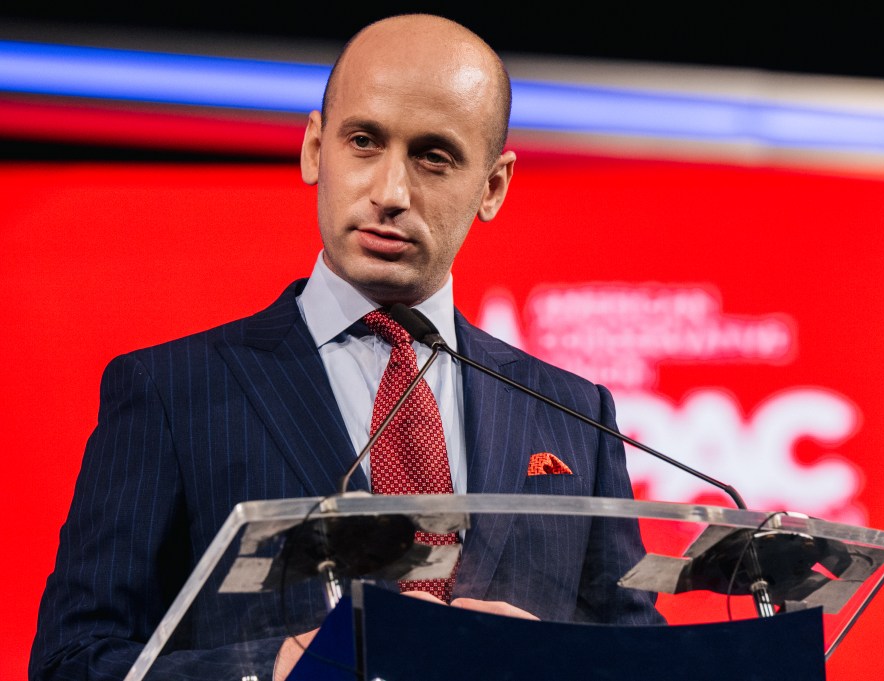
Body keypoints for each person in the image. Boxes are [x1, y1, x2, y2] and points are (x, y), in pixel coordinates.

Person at [29, 13, 661, 681]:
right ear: (313, 148)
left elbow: (642, 659)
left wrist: (557, 663)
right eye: (364, 141)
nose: (390, 193)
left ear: (493, 187)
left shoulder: (573, 414)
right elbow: (71, 662)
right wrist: (267, 670)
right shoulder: (171, 392)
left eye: (433, 156)